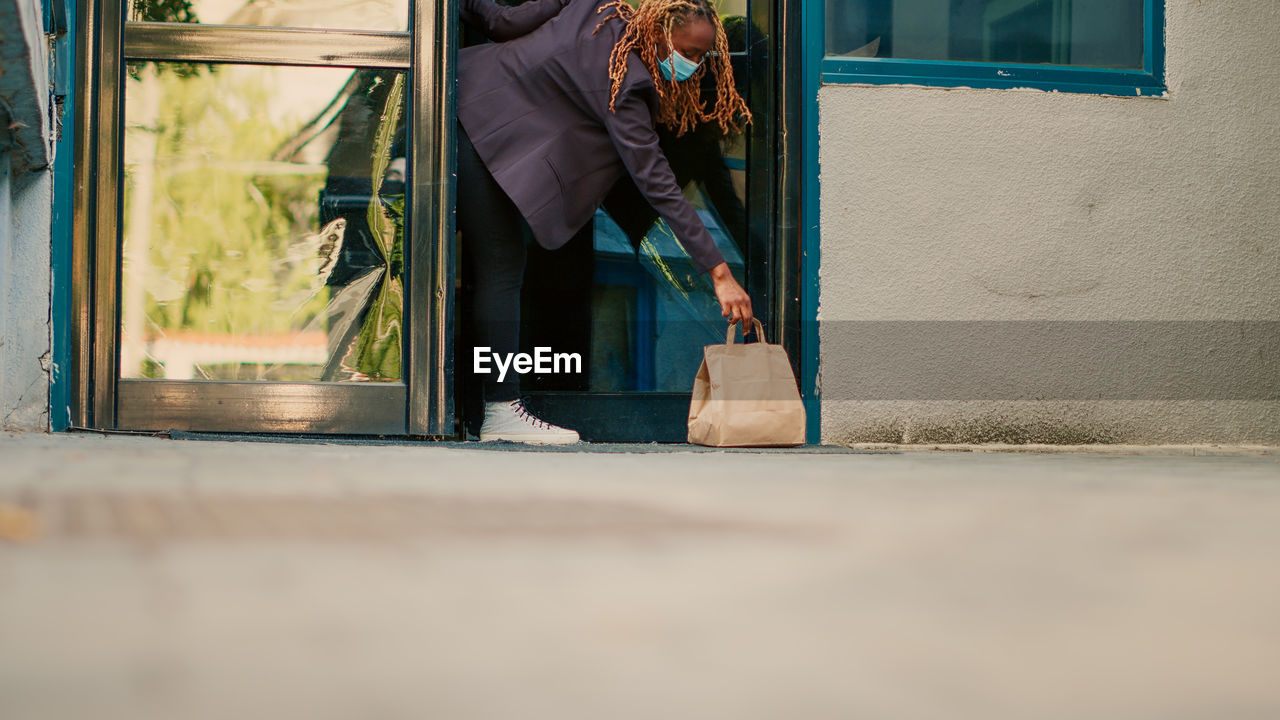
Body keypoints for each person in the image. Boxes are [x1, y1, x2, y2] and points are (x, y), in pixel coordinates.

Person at [457, 0, 754, 444]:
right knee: (501, 272)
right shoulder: (628, 86)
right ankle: (501, 412)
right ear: (657, 32)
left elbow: (502, 21)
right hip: (479, 140)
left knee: (486, 269)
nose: (692, 64)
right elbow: (659, 183)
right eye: (687, 51)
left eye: (701, 56)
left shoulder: (594, 9)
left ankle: (480, 403)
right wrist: (720, 272)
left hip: (453, 92)